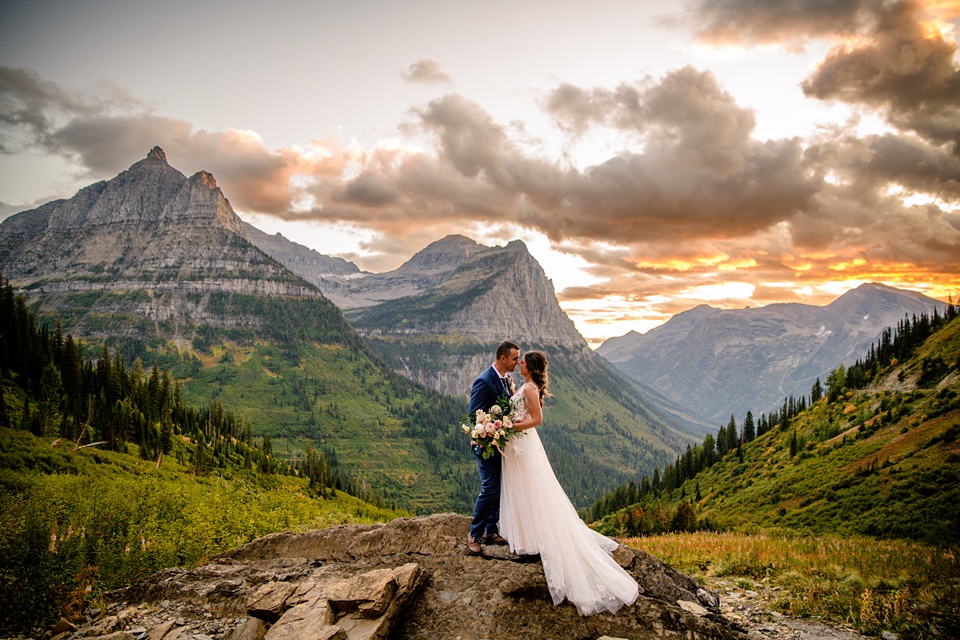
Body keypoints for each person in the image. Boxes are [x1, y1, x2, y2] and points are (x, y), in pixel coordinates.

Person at [500, 350, 640, 616]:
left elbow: (537, 420)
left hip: (523, 443)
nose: (518, 364)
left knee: (531, 488)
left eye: (522, 362)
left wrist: (511, 427)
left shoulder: (529, 389)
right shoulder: (525, 386)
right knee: (521, 487)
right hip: (518, 445)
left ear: (530, 366)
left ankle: (532, 537)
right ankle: (523, 533)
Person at [466, 340, 520, 556]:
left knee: (499, 486)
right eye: (515, 358)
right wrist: (487, 433)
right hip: (486, 444)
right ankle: (474, 534)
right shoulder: (484, 381)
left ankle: (490, 530)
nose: (518, 362)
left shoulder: (506, 379)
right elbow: (473, 417)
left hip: (499, 444)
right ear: (503, 358)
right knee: (490, 489)